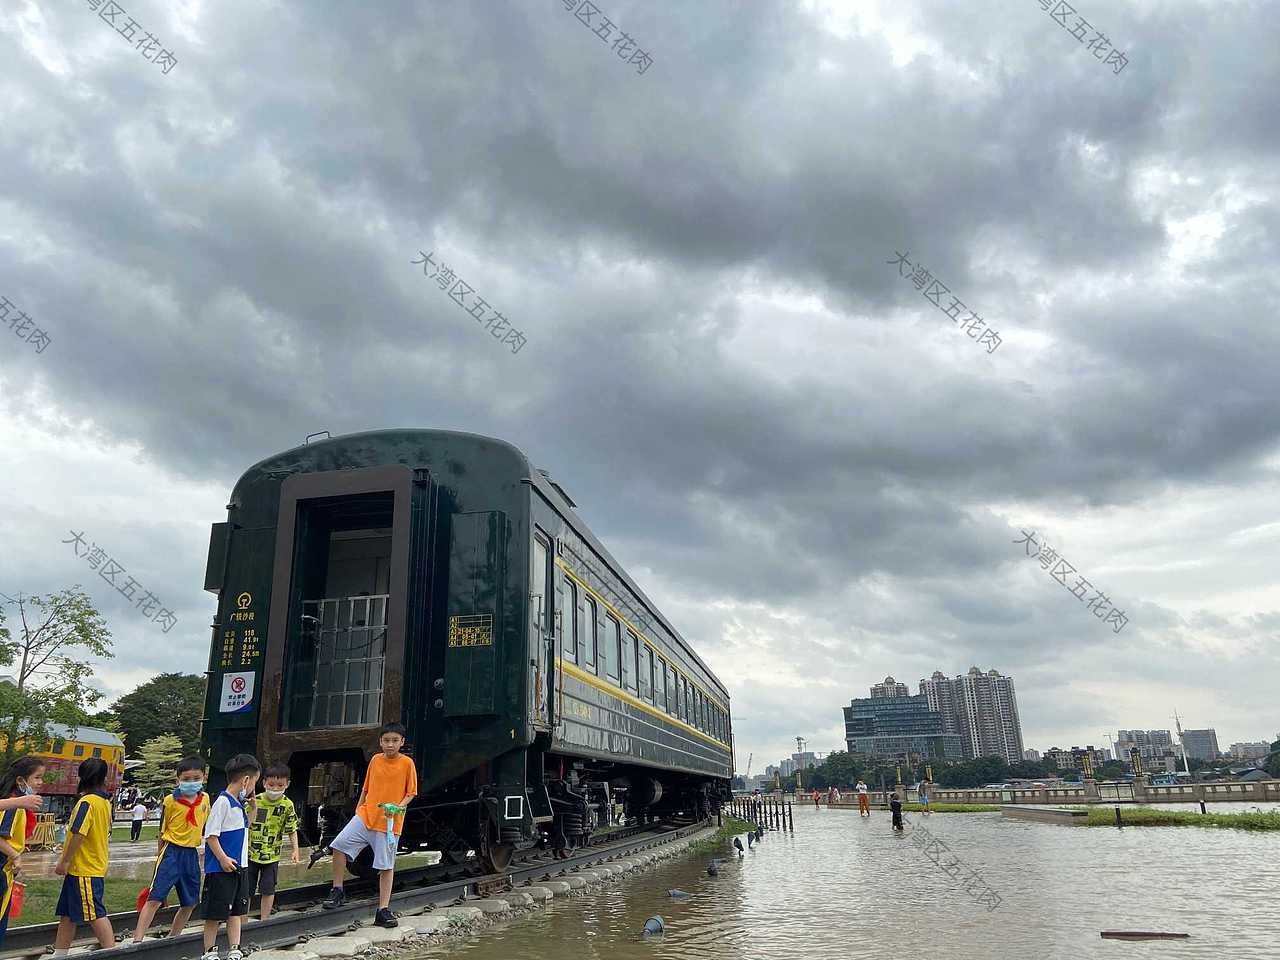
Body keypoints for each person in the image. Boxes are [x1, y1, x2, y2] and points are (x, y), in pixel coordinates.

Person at [322, 722, 417, 928]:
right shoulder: (375, 760)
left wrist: (398, 807)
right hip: (365, 815)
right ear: (380, 742)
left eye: (394, 741)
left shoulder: (407, 763)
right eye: (386, 740)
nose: (390, 745)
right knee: (338, 846)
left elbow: (411, 793)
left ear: (402, 742)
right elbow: (366, 788)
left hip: (389, 822)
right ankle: (337, 890)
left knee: (386, 866)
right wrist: (358, 809)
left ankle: (383, 910)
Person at [133, 757, 210, 942]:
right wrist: (160, 856)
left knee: (190, 902)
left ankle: (173, 937)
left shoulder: (205, 799)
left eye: (196, 778)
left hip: (191, 854)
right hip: (171, 852)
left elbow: (205, 824)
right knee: (155, 898)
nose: (191, 783)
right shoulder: (170, 801)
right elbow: (162, 831)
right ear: (177, 780)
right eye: (186, 779)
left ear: (204, 778)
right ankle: (137, 939)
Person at [200, 754, 261, 960]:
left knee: (236, 910)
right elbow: (211, 835)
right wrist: (223, 859)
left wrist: (253, 808)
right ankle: (209, 950)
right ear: (246, 780)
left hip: (239, 867)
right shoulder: (222, 803)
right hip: (222, 868)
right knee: (215, 913)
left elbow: (246, 826)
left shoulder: (238, 804)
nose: (254, 788)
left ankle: (235, 947)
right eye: (254, 782)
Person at [52, 759, 115, 956]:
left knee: (94, 913)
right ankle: (60, 953)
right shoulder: (104, 802)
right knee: (68, 914)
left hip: (84, 868)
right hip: (88, 867)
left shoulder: (87, 802)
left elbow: (79, 832)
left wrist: (65, 860)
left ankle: (112, 952)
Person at [0, 757, 45, 948]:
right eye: (37, 777)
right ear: (21, 781)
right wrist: (15, 856)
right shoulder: (15, 805)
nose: (41, 782)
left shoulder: (15, 803)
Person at [246, 763, 300, 922]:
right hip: (250, 853)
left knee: (268, 889)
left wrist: (295, 849)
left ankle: (264, 920)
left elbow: (292, 829)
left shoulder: (287, 805)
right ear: (263, 783)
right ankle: (242, 920)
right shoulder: (254, 801)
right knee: (246, 890)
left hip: (272, 855)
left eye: (280, 785)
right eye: (271, 785)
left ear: (287, 785)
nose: (275, 789)